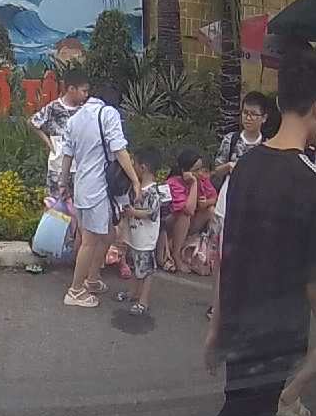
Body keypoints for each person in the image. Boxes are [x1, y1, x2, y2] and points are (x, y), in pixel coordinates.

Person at [205, 47, 316, 416]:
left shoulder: (245, 167)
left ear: (280, 103)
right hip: (274, 338)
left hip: (237, 327)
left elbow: (225, 251)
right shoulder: (313, 181)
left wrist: (216, 325)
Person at [59, 84, 142, 308]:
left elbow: (67, 154)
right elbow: (119, 149)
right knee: (90, 241)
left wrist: (63, 182)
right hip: (97, 189)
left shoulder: (75, 118)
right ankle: (76, 290)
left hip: (83, 186)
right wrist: (135, 180)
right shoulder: (109, 114)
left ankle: (93, 279)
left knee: (107, 234)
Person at [30, 70, 91, 197]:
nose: (86, 95)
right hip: (57, 166)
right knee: (56, 204)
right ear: (71, 89)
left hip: (80, 167)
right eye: (84, 91)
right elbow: (33, 122)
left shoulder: (86, 110)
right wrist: (49, 143)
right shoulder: (54, 107)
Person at [117, 148, 163, 317]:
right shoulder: (136, 187)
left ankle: (144, 300)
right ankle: (133, 292)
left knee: (146, 269)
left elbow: (152, 213)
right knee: (135, 265)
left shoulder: (153, 191)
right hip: (134, 234)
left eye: (134, 164)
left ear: (143, 167)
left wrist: (133, 212)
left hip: (146, 238)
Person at [165, 149, 217, 275]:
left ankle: (199, 245)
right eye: (196, 170)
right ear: (185, 171)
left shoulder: (201, 179)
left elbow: (215, 197)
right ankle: (176, 254)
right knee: (184, 215)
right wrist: (194, 184)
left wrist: (206, 203)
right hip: (171, 223)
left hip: (190, 224)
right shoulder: (174, 182)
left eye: (201, 169)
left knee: (210, 211)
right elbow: (188, 209)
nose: (200, 173)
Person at [213, 91, 270, 186]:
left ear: (264, 118)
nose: (248, 118)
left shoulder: (268, 144)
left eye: (253, 114)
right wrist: (228, 166)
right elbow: (216, 172)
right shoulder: (230, 140)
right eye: (245, 113)